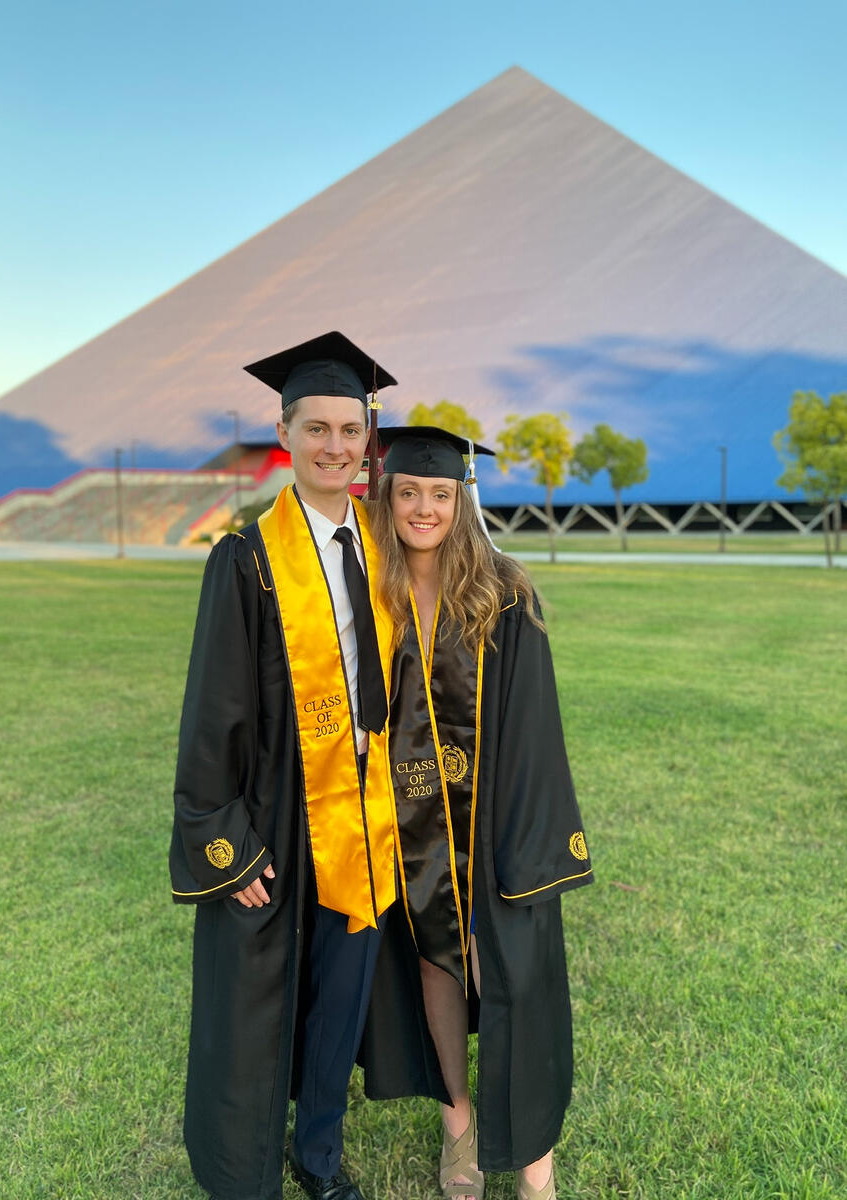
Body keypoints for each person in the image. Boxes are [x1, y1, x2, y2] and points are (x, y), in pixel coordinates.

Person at [169, 332, 402, 1200]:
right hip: (276, 811)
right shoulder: (247, 559)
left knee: (340, 997)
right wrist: (223, 836)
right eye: (318, 429)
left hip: (363, 810)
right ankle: (244, 1168)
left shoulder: (378, 546)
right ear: (286, 431)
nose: (336, 447)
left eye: (351, 429)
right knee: (258, 1000)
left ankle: (320, 1158)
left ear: (366, 437)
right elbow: (211, 712)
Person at [364, 426, 593, 1200]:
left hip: (493, 829)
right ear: (386, 496)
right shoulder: (373, 595)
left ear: (462, 500)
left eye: (439, 494)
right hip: (412, 831)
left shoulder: (504, 592)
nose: (423, 508)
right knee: (434, 963)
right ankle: (457, 1124)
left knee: (511, 979)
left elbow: (535, 731)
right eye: (409, 492)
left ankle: (535, 1163)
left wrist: (522, 844)